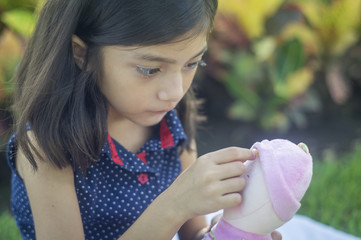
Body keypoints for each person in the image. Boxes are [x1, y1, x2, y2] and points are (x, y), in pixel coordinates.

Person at [7, 0, 282, 239]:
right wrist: (175, 204)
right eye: (149, 70)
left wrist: (230, 232)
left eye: (191, 64)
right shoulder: (49, 146)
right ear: (83, 54)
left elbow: (193, 233)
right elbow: (178, 207)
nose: (175, 91)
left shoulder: (171, 122)